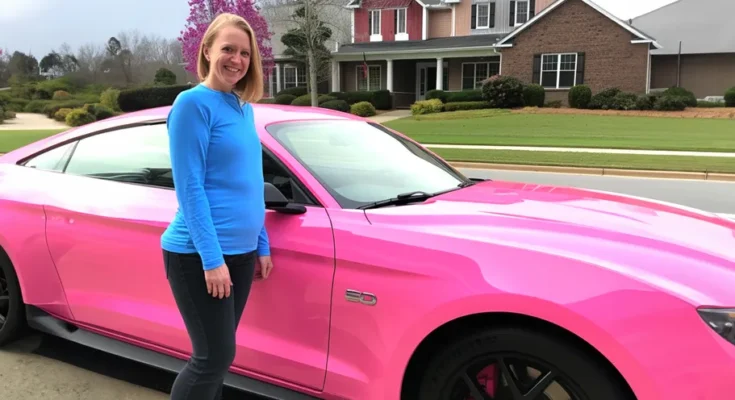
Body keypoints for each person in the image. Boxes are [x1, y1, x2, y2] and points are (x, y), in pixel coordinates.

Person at [160, 12, 274, 400]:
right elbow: (189, 188)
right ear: (207, 50)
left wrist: (261, 243)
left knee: (220, 359)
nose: (237, 59)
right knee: (212, 356)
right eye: (228, 49)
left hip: (240, 254)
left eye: (244, 52)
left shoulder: (243, 107)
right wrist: (212, 259)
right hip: (199, 255)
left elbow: (250, 182)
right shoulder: (193, 104)